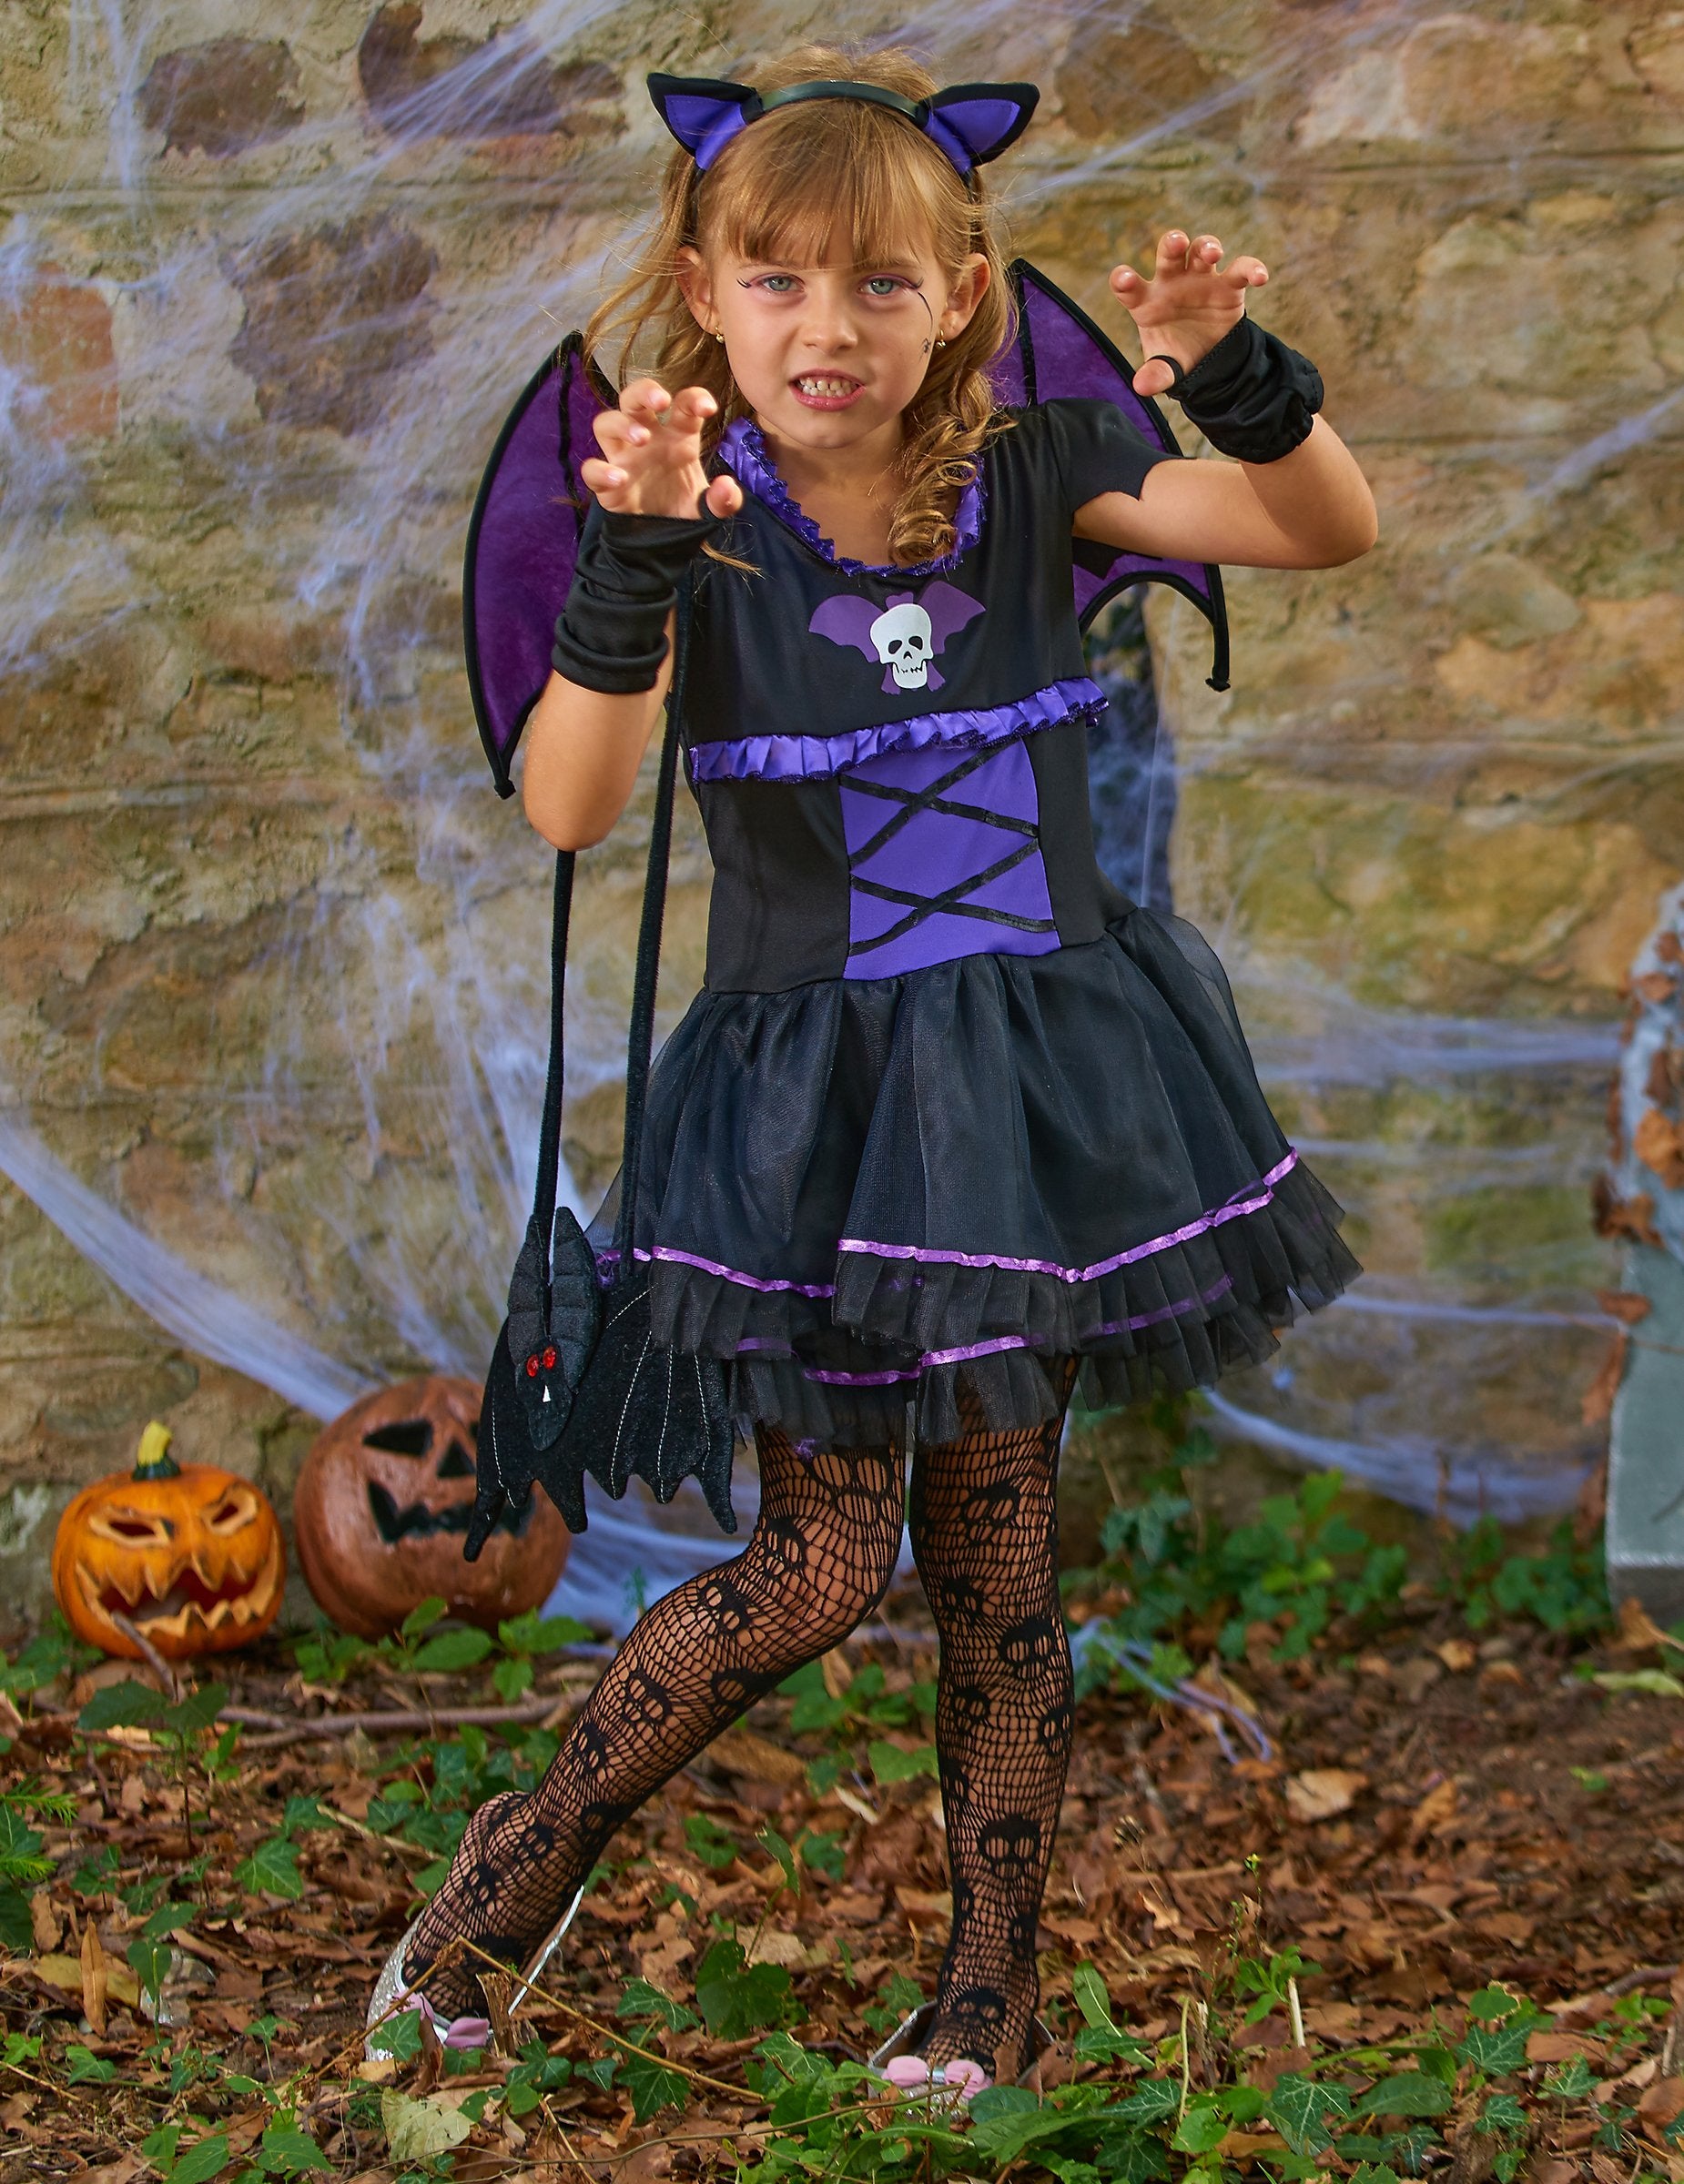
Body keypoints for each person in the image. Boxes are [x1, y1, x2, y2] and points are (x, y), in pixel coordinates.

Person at [368, 42, 1374, 2096]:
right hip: (812, 1123)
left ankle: (987, 1995)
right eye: (778, 282)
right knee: (816, 1571)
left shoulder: (1041, 472)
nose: (827, 326)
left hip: (1027, 1090)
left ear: (960, 296)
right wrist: (634, 560)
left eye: (882, 283)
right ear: (704, 289)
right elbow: (569, 807)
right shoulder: (690, 523)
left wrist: (1230, 369)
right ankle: (494, 1885)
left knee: (1000, 1565)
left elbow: (1316, 526)